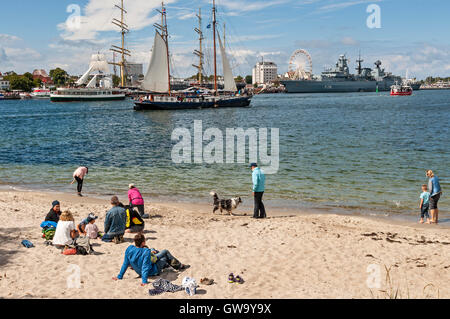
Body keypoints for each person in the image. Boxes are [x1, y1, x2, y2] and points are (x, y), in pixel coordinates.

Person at [112, 233, 189, 286]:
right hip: (152, 271)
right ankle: (179, 266)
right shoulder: (145, 251)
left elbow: (125, 263)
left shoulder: (129, 249)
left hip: (139, 271)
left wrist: (119, 276)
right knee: (165, 255)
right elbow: (145, 267)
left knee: (154, 250)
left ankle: (171, 265)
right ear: (143, 243)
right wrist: (144, 281)